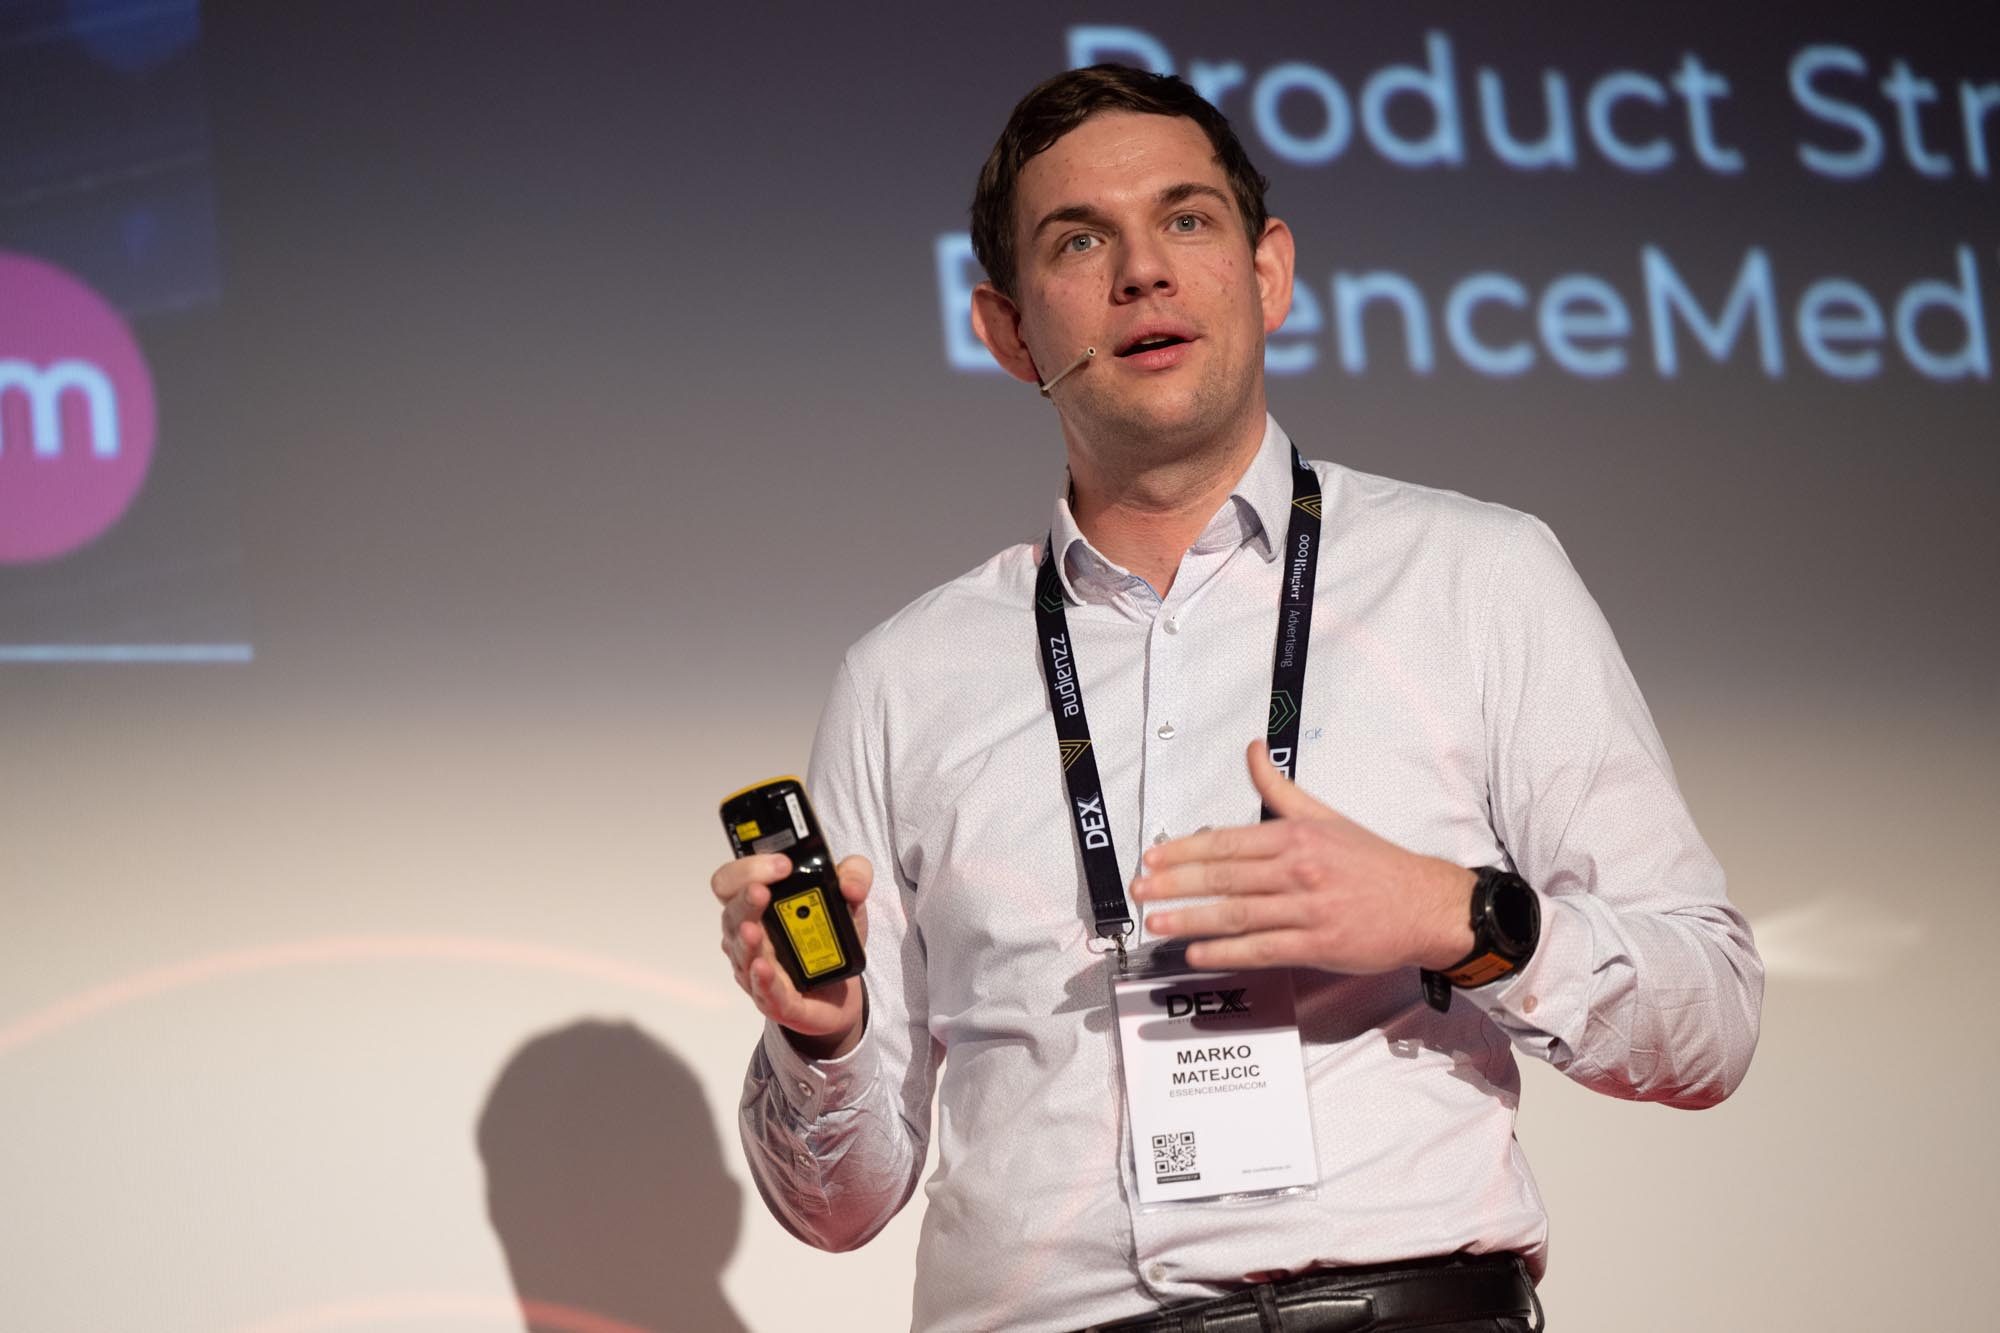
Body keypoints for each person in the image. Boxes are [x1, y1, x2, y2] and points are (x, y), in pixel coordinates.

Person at [712, 65, 1762, 1333]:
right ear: (1006, 331)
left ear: (1267, 273)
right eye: (1078, 241)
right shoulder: (902, 680)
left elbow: (1709, 1019)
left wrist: (1452, 915)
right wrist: (821, 1040)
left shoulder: (1476, 576)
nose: (1142, 272)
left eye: (1186, 219)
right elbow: (834, 1208)